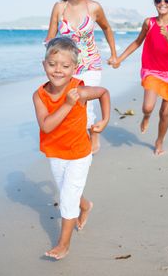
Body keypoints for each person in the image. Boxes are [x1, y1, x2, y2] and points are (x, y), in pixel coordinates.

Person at [33, 37, 110, 260]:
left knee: (67, 198)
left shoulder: (80, 90)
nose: (58, 71)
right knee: (70, 193)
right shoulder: (39, 95)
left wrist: (104, 120)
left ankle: (63, 244)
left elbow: (103, 92)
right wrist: (67, 104)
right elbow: (46, 126)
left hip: (79, 153)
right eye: (52, 64)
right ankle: (85, 206)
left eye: (65, 66)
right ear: (44, 64)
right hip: (55, 153)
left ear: (74, 68)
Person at [45, 0, 117, 154]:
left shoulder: (94, 7)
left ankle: (93, 134)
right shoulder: (59, 7)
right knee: (70, 103)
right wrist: (50, 65)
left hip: (90, 64)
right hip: (68, 66)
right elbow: (50, 39)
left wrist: (114, 54)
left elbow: (107, 29)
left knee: (84, 101)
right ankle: (76, 134)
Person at [113, 0, 168, 155]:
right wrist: (120, 59)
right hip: (152, 70)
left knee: (165, 113)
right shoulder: (149, 22)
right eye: (159, 0)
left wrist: (167, 35)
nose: (163, 3)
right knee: (147, 107)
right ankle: (146, 117)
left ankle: (159, 141)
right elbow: (137, 42)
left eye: (167, 0)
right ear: (154, 3)